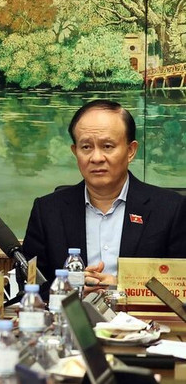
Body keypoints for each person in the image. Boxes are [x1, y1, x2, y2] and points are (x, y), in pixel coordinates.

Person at [23, 100, 186, 292]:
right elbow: (29, 286)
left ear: (131, 151)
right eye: (86, 147)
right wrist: (68, 291)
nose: (96, 158)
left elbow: (180, 287)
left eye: (107, 146)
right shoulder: (47, 211)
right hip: (72, 311)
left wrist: (123, 288)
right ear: (75, 152)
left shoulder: (170, 210)